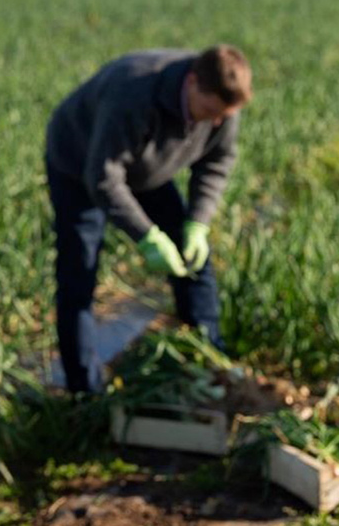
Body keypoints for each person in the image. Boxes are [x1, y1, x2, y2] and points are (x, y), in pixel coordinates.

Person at [45, 46, 251, 393]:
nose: (217, 122)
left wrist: (198, 223)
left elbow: (216, 162)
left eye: (224, 115)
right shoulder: (133, 93)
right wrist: (146, 236)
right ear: (192, 83)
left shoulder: (223, 106)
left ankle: (210, 358)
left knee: (193, 258)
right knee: (78, 273)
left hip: (147, 170)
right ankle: (84, 390)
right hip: (80, 168)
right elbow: (103, 178)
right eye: (211, 111)